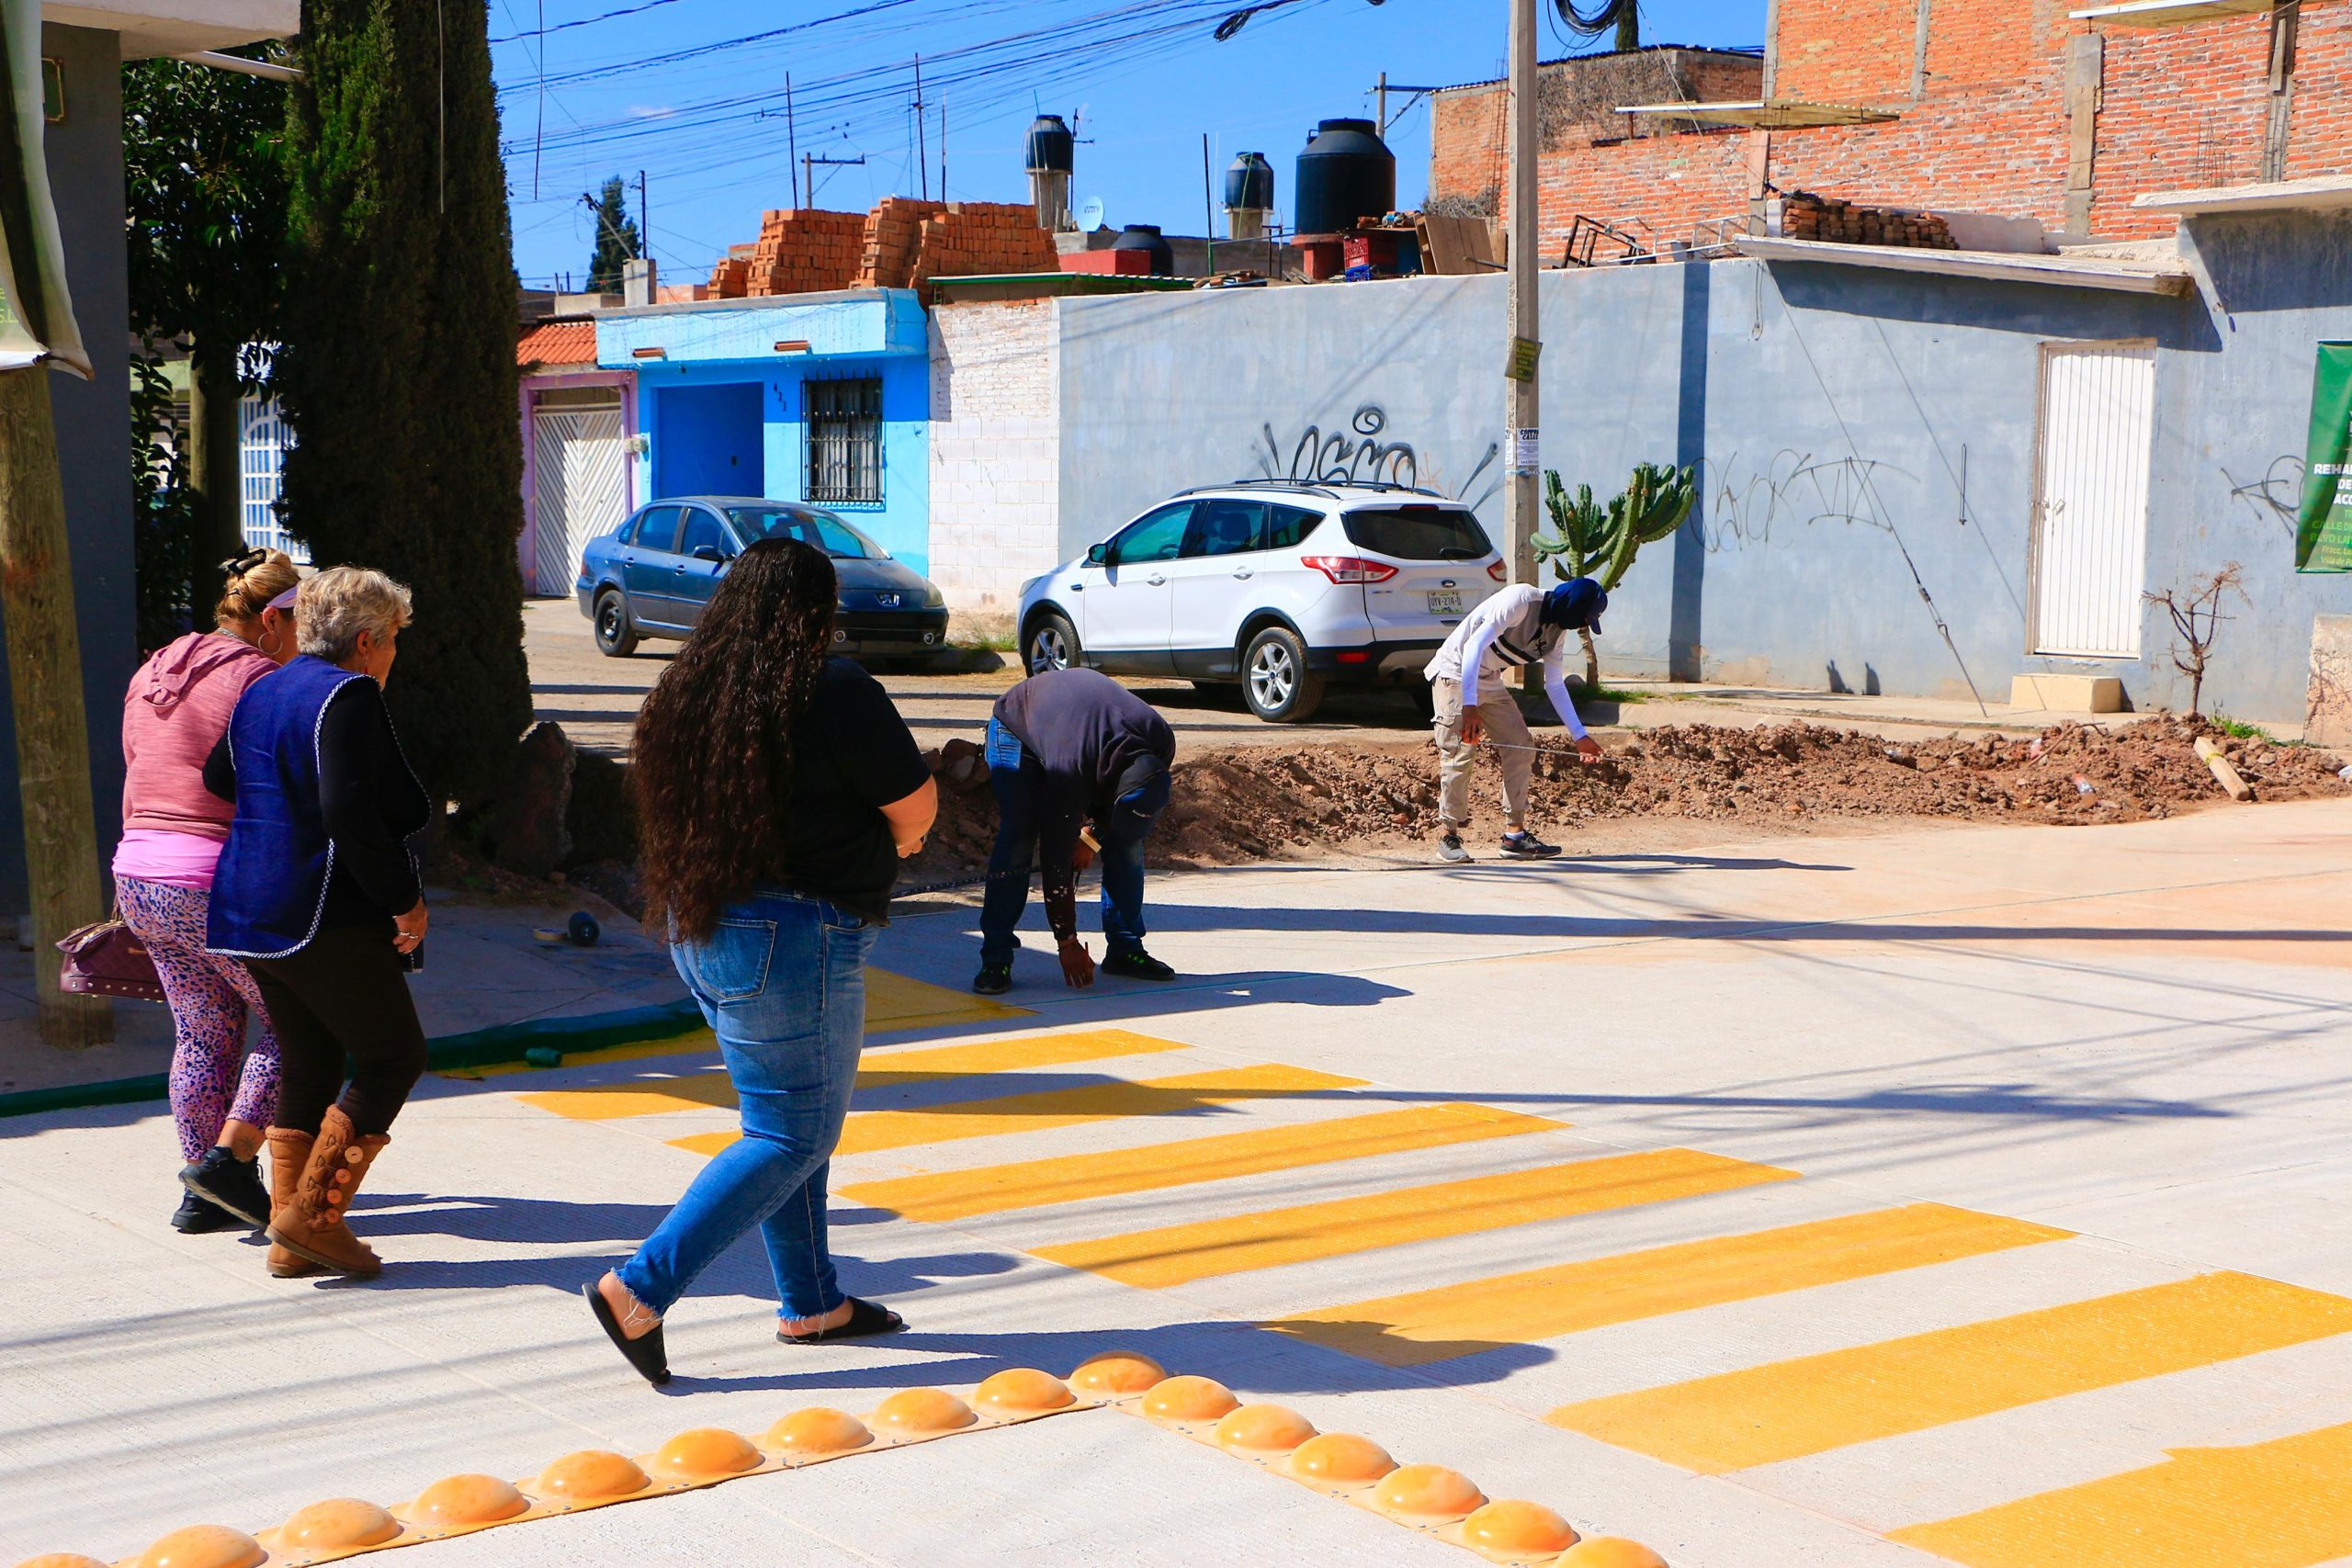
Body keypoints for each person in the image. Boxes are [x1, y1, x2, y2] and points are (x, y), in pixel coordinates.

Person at [587, 538, 937, 1385]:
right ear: (818, 611)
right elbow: (914, 807)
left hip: (704, 931)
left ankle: (813, 1301)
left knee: (793, 1124)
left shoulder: (685, 689)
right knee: (791, 1130)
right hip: (794, 940)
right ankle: (637, 1288)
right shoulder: (834, 687)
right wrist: (904, 842)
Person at [204, 567, 432, 1279]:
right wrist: (405, 900)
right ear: (366, 641)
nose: (394, 653)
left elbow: (219, 776)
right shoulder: (351, 692)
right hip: (320, 908)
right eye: (393, 639)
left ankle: (287, 1233)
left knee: (311, 1058)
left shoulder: (263, 686)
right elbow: (348, 812)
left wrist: (281, 798)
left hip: (246, 906)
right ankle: (314, 1217)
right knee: (393, 1056)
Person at [117, 550, 301, 1234]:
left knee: (202, 1030)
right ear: (274, 619)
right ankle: (227, 1164)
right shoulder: (258, 679)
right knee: (302, 1022)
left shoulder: (156, 665)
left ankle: (203, 1194)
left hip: (140, 874)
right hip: (211, 882)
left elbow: (136, 770)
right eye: (303, 623)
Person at [972, 666, 1176, 996]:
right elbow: (1056, 856)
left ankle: (1125, 949)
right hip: (1018, 724)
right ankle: (996, 957)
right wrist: (1066, 941)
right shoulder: (1071, 768)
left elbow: (1124, 809)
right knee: (1019, 834)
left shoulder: (1160, 742)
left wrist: (1094, 835)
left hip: (1077, 730)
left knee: (1127, 845)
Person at [1423, 577, 1609, 863]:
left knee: (1521, 747)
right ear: (1573, 607)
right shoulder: (1521, 600)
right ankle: (1447, 835)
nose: (1582, 626)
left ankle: (1515, 836)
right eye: (1584, 618)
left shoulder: (1556, 633)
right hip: (1456, 673)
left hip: (1489, 680)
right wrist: (1469, 705)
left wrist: (1580, 736)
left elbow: (1555, 685)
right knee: (1461, 750)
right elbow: (1473, 646)